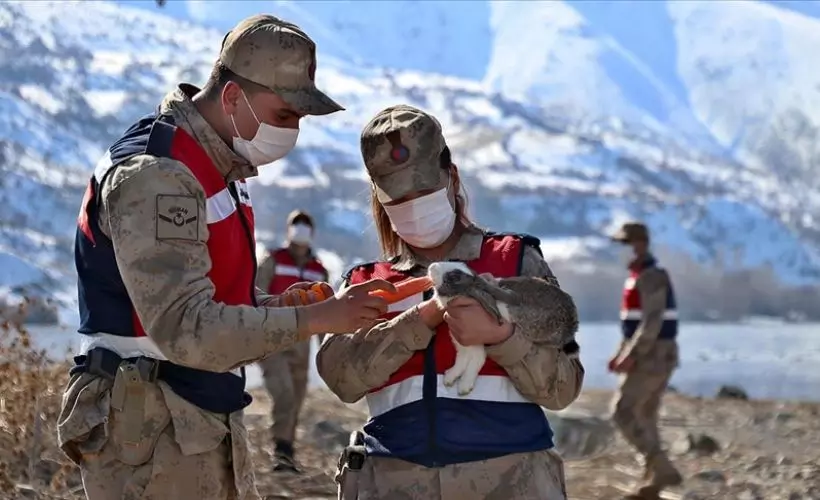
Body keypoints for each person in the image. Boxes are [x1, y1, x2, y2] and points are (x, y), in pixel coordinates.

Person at [58, 14, 394, 500]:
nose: (293, 131)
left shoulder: (219, 170)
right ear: (234, 98)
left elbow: (211, 301)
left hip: (190, 423)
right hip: (150, 437)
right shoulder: (159, 176)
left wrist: (282, 306)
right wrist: (316, 318)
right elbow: (188, 329)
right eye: (284, 115)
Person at [317, 104, 585, 500]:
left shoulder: (516, 261)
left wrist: (501, 335)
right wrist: (419, 320)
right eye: (400, 197)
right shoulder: (364, 284)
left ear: (451, 177)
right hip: (395, 483)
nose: (414, 205)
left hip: (512, 482)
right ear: (379, 199)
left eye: (424, 191)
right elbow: (340, 377)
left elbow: (563, 387)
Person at [608, 222, 683, 499]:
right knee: (645, 415)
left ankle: (661, 468)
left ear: (640, 243)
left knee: (624, 411)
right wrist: (620, 352)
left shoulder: (651, 275)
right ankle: (652, 480)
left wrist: (631, 355)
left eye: (627, 244)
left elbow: (652, 322)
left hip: (653, 355)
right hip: (654, 352)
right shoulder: (639, 275)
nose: (625, 251)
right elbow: (634, 323)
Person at [256, 209, 329, 473]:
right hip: (273, 340)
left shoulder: (318, 270)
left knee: (297, 398)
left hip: (302, 343)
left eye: (305, 225)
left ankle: (286, 452)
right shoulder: (273, 260)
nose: (300, 228)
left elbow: (326, 309)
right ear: (288, 229)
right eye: (295, 224)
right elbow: (256, 293)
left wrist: (327, 346)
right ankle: (280, 451)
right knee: (284, 395)